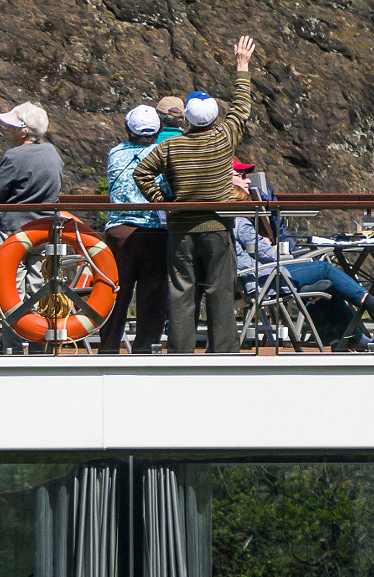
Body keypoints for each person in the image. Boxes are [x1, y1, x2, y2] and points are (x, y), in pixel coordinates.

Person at [132, 35, 257, 354]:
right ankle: (224, 355)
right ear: (216, 118)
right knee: (219, 293)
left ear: (185, 118)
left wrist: (164, 202)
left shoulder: (171, 146)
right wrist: (242, 66)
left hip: (181, 230)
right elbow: (242, 108)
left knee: (182, 295)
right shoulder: (224, 138)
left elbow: (141, 173)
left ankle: (180, 356)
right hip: (217, 228)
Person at [230, 162, 374, 348]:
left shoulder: (230, 219)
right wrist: (276, 249)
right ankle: (367, 301)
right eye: (242, 176)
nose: (248, 181)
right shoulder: (240, 220)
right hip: (264, 278)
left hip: (261, 275)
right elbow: (262, 251)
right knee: (325, 269)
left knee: (325, 287)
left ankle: (343, 338)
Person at [98, 106, 169, 354]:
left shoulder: (115, 153)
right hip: (155, 231)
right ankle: (145, 347)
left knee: (116, 293)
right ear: (158, 130)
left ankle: (108, 347)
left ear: (128, 128)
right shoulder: (163, 154)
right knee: (152, 295)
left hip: (119, 231)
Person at [0, 102, 62, 235]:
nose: (9, 129)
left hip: (13, 228)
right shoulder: (52, 153)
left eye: (12, 126)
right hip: (46, 227)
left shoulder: (13, 156)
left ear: (24, 132)